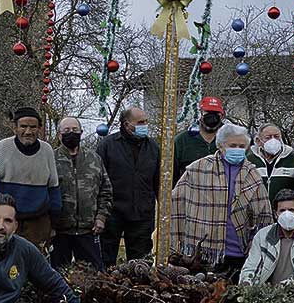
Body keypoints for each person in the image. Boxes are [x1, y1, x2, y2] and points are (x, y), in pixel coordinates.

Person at [169, 124, 272, 280]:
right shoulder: (198, 168)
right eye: (232, 145)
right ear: (221, 145)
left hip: (238, 251)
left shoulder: (252, 173)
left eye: (241, 146)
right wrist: (175, 244)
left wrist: (255, 241)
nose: (237, 149)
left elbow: (264, 213)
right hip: (202, 252)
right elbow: (176, 204)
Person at [0, 107, 60, 250]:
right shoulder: (4, 147)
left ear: (39, 129)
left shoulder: (46, 150)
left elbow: (53, 188)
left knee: (35, 263)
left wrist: (54, 223)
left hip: (37, 220)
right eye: (23, 127)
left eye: (33, 127)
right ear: (15, 128)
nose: (28, 132)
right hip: (6, 219)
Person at [96, 107, 160, 263]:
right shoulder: (108, 145)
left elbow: (158, 181)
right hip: (113, 213)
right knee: (105, 259)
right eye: (140, 122)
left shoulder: (153, 147)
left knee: (141, 262)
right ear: (126, 124)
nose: (145, 125)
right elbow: (97, 180)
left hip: (142, 214)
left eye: (146, 121)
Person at [52, 117, 113, 270]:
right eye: (66, 131)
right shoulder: (51, 159)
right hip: (59, 231)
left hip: (88, 230)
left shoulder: (94, 158)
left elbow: (106, 191)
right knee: (58, 276)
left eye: (74, 130)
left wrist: (101, 217)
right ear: (59, 135)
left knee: (95, 276)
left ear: (81, 133)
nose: (70, 133)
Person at [239, 188, 294, 285]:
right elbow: (250, 268)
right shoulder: (262, 236)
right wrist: (247, 286)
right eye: (282, 210)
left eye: (291, 210)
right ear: (275, 214)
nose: (287, 214)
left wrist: (285, 286)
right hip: (266, 295)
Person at [173, 96, 226, 183]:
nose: (212, 117)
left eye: (216, 113)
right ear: (200, 113)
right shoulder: (181, 141)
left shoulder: (230, 140)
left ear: (222, 116)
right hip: (189, 193)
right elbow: (172, 175)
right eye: (208, 112)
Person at [246, 123, 294, 209]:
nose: (273, 140)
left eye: (276, 136)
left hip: (284, 213)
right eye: (268, 137)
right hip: (256, 212)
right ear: (259, 141)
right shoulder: (249, 160)